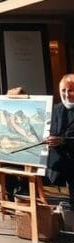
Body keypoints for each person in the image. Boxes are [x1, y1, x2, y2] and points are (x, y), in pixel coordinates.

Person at [46, 74, 74, 208]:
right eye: (63, 90)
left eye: (71, 90)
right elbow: (51, 130)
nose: (67, 94)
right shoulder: (57, 109)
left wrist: (64, 141)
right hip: (60, 164)